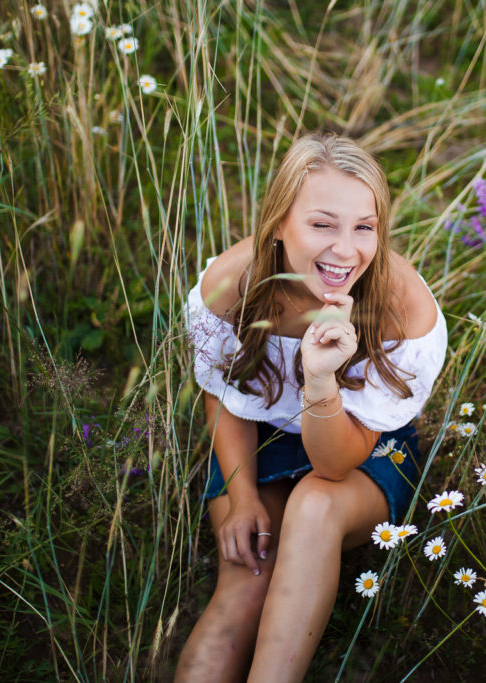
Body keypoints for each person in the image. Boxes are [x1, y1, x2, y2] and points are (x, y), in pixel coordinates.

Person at [176, 133, 447, 682]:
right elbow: (226, 395)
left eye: (363, 227)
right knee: (246, 580)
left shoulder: (400, 310)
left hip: (360, 446)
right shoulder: (232, 287)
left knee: (314, 507)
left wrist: (321, 380)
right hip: (263, 437)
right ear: (278, 223)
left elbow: (332, 465)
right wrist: (243, 493)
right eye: (322, 224)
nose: (346, 251)